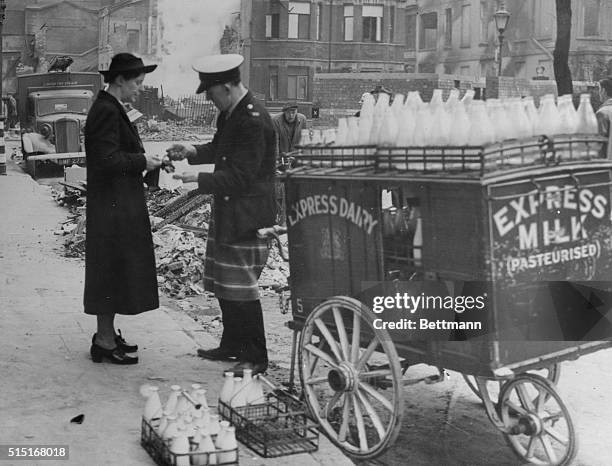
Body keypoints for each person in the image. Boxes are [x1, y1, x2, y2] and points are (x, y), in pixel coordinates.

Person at [167, 54, 276, 376]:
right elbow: (221, 149)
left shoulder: (253, 119)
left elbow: (242, 176)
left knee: (241, 287)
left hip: (248, 214)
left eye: (212, 94)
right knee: (225, 283)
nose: (211, 101)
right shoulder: (232, 114)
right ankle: (231, 344)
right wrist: (192, 153)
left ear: (228, 87)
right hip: (231, 210)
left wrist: (199, 180)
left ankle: (256, 356)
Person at [84, 53, 162, 364]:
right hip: (112, 207)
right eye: (138, 82)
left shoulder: (111, 107)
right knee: (109, 271)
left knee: (113, 270)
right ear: (120, 80)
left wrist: (145, 161)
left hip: (116, 204)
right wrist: (144, 161)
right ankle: (103, 340)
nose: (141, 88)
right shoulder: (106, 110)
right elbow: (106, 161)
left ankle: (107, 333)